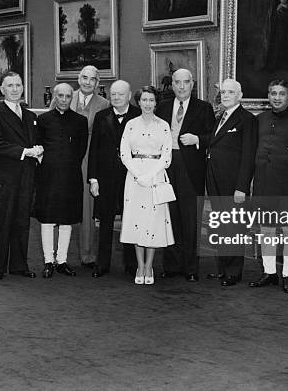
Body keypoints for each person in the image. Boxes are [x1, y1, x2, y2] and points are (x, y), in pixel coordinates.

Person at [156, 68, 215, 282]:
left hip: (191, 169)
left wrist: (197, 138)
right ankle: (171, 265)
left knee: (191, 220)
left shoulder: (204, 108)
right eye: (178, 82)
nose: (182, 87)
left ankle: (191, 268)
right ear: (172, 84)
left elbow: (213, 137)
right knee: (169, 218)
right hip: (166, 168)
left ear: (193, 84)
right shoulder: (162, 107)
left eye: (186, 82)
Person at [248, 80, 288, 293]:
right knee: (267, 232)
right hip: (264, 184)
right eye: (273, 93)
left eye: (282, 93)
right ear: (268, 95)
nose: (277, 97)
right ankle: (269, 272)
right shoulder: (259, 119)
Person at [51, 65, 110, 270]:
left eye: (92, 79)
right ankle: (58, 257)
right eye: (84, 77)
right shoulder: (64, 95)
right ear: (78, 78)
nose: (87, 82)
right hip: (61, 160)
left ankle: (87, 255)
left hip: (87, 161)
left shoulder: (104, 104)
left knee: (87, 209)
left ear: (97, 82)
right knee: (58, 207)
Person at [0, 72, 41, 281]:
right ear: (2, 90)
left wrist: (38, 149)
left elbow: (35, 141)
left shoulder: (30, 116)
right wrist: (24, 151)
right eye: (10, 85)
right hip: (4, 177)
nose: (15, 89)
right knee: (2, 221)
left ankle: (19, 265)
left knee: (22, 221)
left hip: (26, 175)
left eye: (18, 85)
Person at [205, 79, 257, 287]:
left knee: (235, 227)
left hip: (234, 184)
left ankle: (234, 272)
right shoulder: (220, 117)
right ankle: (223, 268)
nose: (225, 95)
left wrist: (241, 187)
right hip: (215, 181)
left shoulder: (247, 119)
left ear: (240, 95)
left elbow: (248, 156)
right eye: (223, 92)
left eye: (230, 92)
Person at [120, 86, 174, 285]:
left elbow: (167, 156)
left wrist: (150, 175)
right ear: (138, 101)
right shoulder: (131, 124)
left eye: (151, 100)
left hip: (156, 176)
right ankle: (139, 265)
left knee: (152, 223)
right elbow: (124, 152)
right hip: (134, 177)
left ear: (156, 102)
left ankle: (149, 266)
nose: (148, 104)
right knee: (137, 221)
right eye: (144, 100)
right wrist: (138, 174)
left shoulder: (163, 125)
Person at [87, 80, 141, 278]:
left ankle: (131, 264)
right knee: (105, 221)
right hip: (106, 176)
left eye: (120, 94)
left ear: (128, 96)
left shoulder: (138, 115)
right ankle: (102, 265)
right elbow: (94, 149)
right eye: (113, 94)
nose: (116, 97)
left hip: (131, 177)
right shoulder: (102, 116)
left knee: (130, 220)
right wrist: (93, 179)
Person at [36, 83, 89, 279]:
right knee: (47, 219)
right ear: (55, 97)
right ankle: (48, 260)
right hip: (48, 175)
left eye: (68, 96)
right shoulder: (42, 120)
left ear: (71, 98)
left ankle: (62, 260)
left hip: (70, 175)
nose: (64, 99)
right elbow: (38, 144)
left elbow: (81, 149)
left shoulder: (80, 121)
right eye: (61, 96)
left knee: (67, 219)